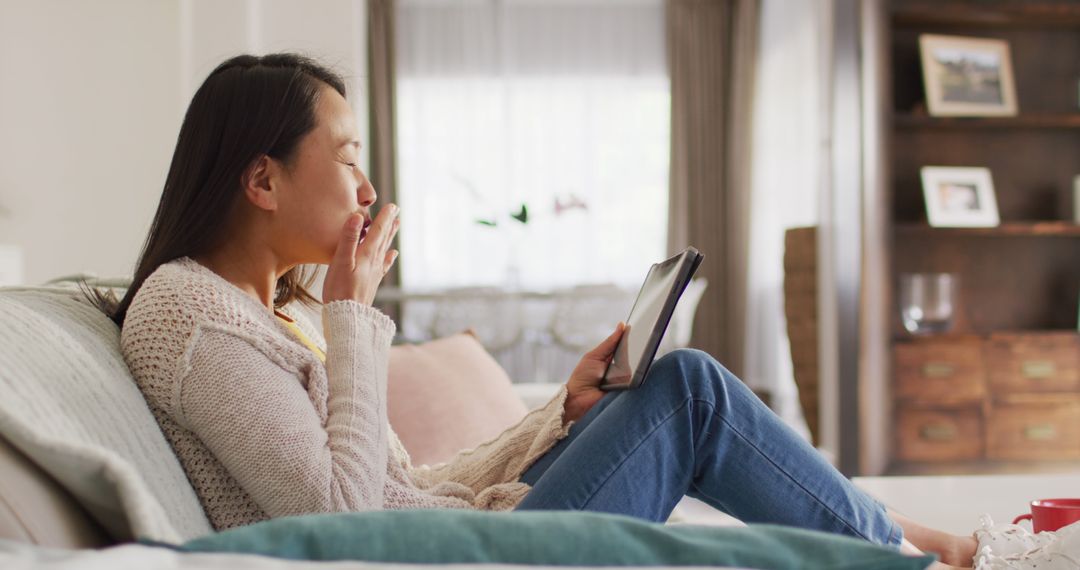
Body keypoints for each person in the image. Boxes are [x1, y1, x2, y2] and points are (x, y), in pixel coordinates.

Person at [87, 53, 976, 569]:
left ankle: (894, 540)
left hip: (458, 539)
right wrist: (357, 315)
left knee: (663, 387)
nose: (367, 185)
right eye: (348, 156)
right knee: (690, 393)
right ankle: (904, 549)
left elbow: (411, 489)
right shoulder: (189, 313)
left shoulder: (279, 312)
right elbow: (349, 520)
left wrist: (557, 413)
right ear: (262, 179)